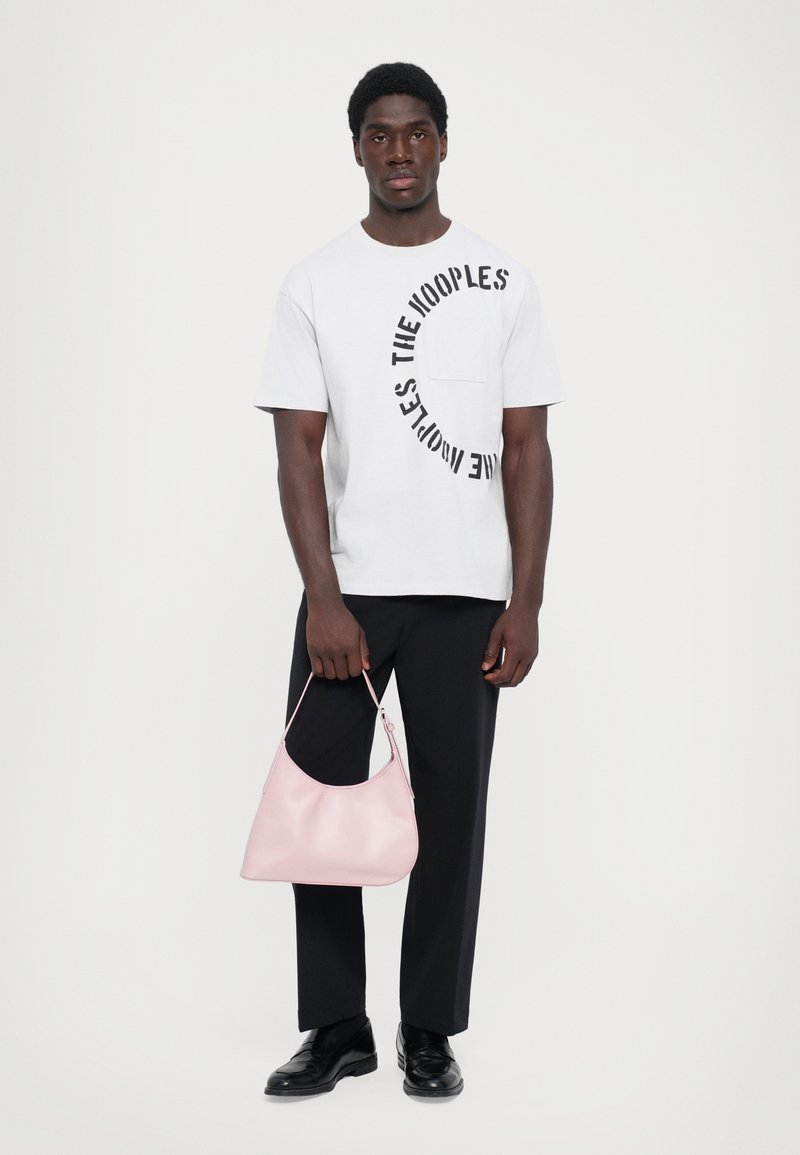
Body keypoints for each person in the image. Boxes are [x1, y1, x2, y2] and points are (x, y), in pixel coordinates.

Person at [253, 61, 566, 1098]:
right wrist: (325, 596)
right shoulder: (314, 284)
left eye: (416, 132)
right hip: (349, 593)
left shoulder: (501, 279)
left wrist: (524, 600)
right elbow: (298, 450)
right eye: (380, 134)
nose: (399, 151)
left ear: (442, 142)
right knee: (317, 800)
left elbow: (526, 447)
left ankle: (428, 1029)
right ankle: (337, 1026)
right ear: (356, 148)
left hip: (466, 596)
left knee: (451, 816)